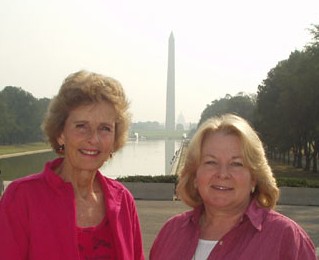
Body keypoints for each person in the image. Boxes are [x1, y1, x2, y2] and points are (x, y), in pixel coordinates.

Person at [0, 70, 145, 260]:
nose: (93, 139)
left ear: (115, 138)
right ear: (61, 133)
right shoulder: (22, 199)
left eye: (105, 128)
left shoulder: (123, 201)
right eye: (81, 126)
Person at [150, 114, 317, 260]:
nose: (223, 174)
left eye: (236, 164)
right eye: (211, 162)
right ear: (194, 175)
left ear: (254, 178)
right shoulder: (171, 232)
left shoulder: (285, 238)